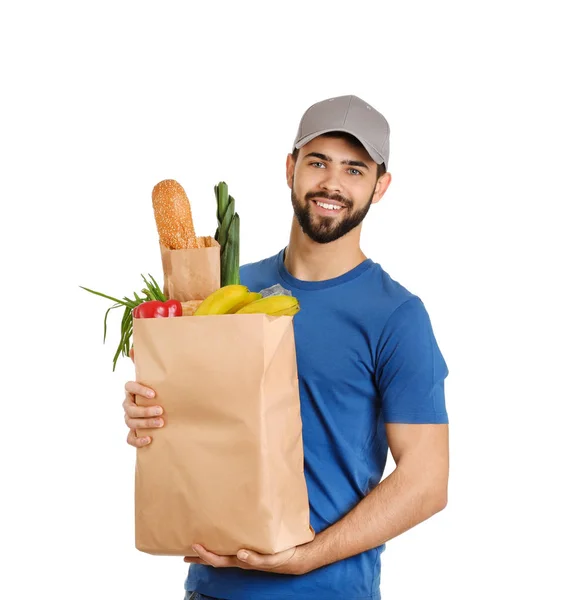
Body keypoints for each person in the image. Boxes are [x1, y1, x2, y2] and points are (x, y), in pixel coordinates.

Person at [123, 94, 450, 600]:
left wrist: (305, 559)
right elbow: (192, 421)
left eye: (355, 169)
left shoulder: (396, 316)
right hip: (211, 588)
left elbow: (427, 481)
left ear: (380, 187)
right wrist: (147, 415)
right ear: (290, 167)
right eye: (317, 162)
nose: (332, 183)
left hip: (328, 591)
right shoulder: (227, 290)